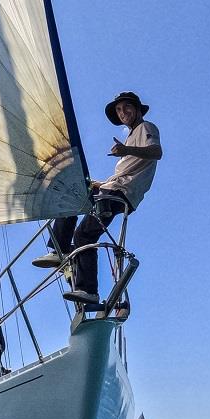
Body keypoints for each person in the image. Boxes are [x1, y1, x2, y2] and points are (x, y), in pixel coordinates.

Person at [33, 91, 162, 307]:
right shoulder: (132, 135)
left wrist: (125, 149)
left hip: (121, 194)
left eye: (126, 107)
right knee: (75, 195)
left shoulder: (146, 127)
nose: (123, 113)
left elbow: (157, 152)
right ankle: (59, 249)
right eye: (119, 110)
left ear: (138, 108)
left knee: (84, 234)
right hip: (114, 189)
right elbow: (123, 175)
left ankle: (87, 289)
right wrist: (97, 184)